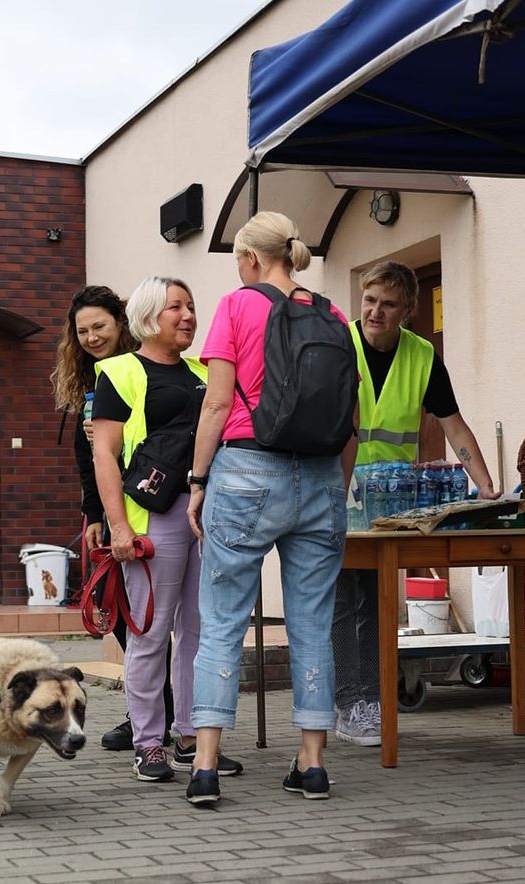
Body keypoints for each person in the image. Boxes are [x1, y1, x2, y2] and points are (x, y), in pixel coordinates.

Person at [186, 211, 349, 807]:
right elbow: (345, 416)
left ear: (252, 259)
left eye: (237, 260)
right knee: (312, 623)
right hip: (323, 478)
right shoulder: (332, 314)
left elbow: (217, 402)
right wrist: (336, 489)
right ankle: (311, 764)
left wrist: (199, 479)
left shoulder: (236, 305)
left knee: (223, 617)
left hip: (248, 471)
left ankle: (204, 765)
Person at [332, 261, 500, 746]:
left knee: (380, 604)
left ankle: (372, 699)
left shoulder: (422, 355)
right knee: (344, 602)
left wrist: (486, 487)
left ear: (408, 310)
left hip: (390, 507)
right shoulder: (340, 343)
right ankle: (351, 703)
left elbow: (453, 424)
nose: (375, 312)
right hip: (337, 495)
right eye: (368, 301)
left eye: (387, 304)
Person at [92, 276, 242, 783]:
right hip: (152, 518)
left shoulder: (205, 372)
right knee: (152, 633)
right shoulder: (119, 371)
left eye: (192, 307)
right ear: (150, 315)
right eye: (176, 307)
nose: (188, 316)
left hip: (206, 514)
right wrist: (116, 526)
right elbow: (105, 456)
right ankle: (148, 742)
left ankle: (190, 738)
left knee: (199, 631)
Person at [51, 285, 180, 752]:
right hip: (111, 509)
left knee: (151, 621)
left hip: (151, 506)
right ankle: (147, 713)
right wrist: (93, 513)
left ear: (122, 323)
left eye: (99, 326)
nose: (90, 337)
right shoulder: (90, 376)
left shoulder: (138, 370)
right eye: (81, 331)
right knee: (127, 618)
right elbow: (87, 457)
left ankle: (158, 718)